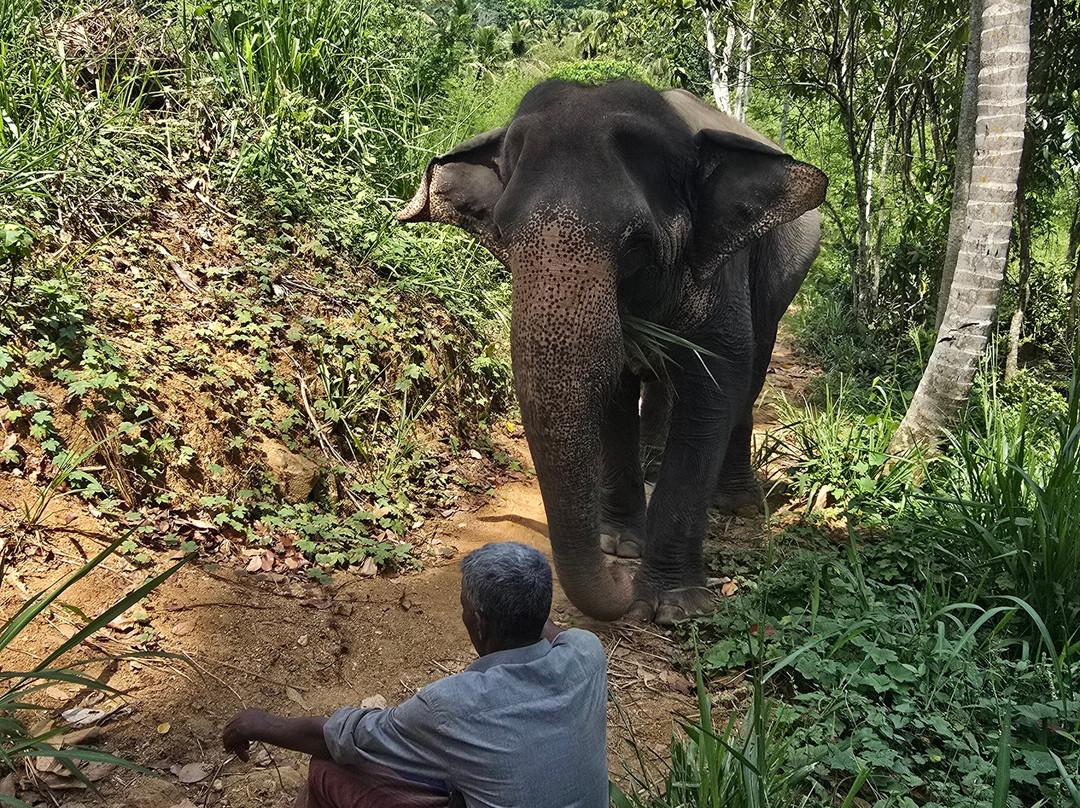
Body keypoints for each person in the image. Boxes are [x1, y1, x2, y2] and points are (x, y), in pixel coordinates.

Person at [222, 542, 609, 808]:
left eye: (463, 608)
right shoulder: (586, 655)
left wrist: (258, 723)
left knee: (327, 770)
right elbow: (551, 629)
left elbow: (337, 739)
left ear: (479, 623)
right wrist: (525, 600)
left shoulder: (451, 707)